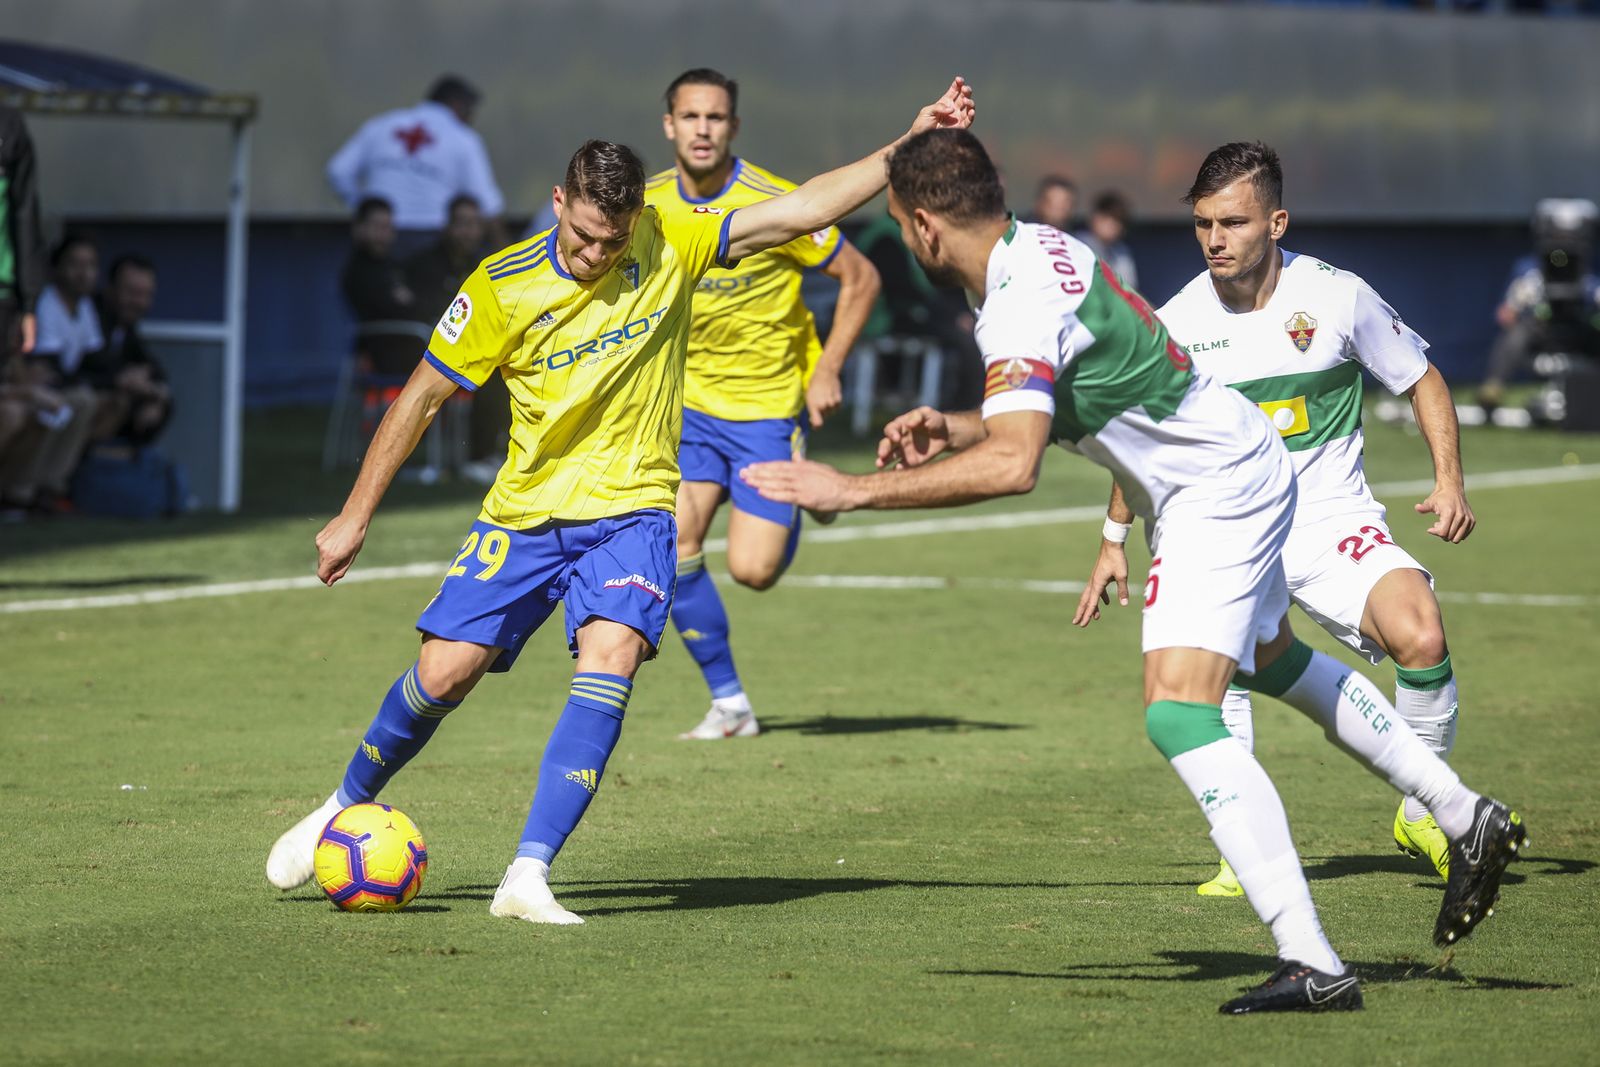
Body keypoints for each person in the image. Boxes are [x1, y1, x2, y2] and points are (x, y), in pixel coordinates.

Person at [742, 129, 1525, 1014]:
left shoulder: (1013, 306)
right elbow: (1077, 399)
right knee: (1274, 665)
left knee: (1177, 712)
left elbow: (1016, 466)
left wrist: (850, 487)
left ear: (923, 227)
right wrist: (959, 425)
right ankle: (1464, 815)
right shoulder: (1046, 245)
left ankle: (1312, 960)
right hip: (1234, 462)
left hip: (1212, 491)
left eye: (897, 221)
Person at [265, 79, 976, 926]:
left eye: (611, 240)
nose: (595, 254)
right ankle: (339, 803)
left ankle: (527, 875)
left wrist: (911, 140)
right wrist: (355, 515)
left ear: (635, 216)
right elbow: (417, 399)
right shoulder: (500, 284)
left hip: (635, 507)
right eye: (581, 234)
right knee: (444, 671)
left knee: (609, 659)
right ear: (558, 201)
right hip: (526, 510)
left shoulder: (670, 234)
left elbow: (802, 210)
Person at [1155, 142, 1472, 897]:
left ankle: (1425, 809)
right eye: (1202, 224)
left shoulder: (1336, 296)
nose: (1214, 240)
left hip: (1328, 520)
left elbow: (1422, 377)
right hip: (1228, 528)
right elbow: (1149, 430)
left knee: (1421, 633)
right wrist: (1113, 538)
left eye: (1231, 222)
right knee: (1216, 672)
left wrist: (1449, 480)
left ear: (1277, 221)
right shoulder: (1173, 322)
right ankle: (1242, 845)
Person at [643, 68, 882, 739]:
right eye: (689, 117)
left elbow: (861, 276)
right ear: (668, 125)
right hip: (685, 411)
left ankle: (809, 493)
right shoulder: (648, 203)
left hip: (766, 407)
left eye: (715, 118)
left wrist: (826, 369)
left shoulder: (777, 202)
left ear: (734, 127)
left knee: (753, 570)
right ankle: (731, 704)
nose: (701, 129)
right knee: (676, 546)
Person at [326, 75, 506, 249]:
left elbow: (338, 171)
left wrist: (366, 211)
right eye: (470, 112)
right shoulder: (463, 138)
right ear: (458, 105)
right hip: (432, 238)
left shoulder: (382, 125)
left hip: (379, 236)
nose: (471, 119)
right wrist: (506, 253)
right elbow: (487, 204)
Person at [405, 193, 504, 480]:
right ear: (447, 226)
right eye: (461, 223)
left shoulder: (485, 266)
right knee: (486, 376)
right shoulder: (423, 265)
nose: (468, 231)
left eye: (474, 224)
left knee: (504, 369)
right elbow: (424, 313)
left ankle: (494, 454)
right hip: (427, 351)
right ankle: (478, 457)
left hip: (473, 348)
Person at [3, 234, 103, 513]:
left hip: (50, 388)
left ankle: (49, 488)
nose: (83, 273)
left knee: (86, 401)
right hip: (28, 387)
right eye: (74, 264)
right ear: (56, 268)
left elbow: (93, 362)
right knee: (41, 408)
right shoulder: (45, 304)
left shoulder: (85, 307)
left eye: (90, 265)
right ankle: (18, 491)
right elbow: (45, 365)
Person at [82, 254, 172, 449]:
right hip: (71, 402)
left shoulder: (125, 326)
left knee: (161, 403)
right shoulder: (88, 315)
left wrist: (156, 393)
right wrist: (123, 380)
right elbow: (85, 366)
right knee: (117, 402)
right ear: (110, 288)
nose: (138, 302)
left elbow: (150, 365)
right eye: (131, 292)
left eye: (146, 294)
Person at [340, 197, 420, 379]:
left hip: (408, 341)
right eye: (377, 226)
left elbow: (413, 301)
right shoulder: (357, 271)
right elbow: (391, 307)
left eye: (387, 227)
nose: (383, 234)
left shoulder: (394, 265)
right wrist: (407, 303)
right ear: (359, 228)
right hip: (383, 349)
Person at [1075, 190, 1138, 290]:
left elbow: (1129, 290)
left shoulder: (1121, 252)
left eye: (1117, 220)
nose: (1110, 224)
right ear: (1094, 217)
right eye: (1106, 217)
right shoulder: (1077, 242)